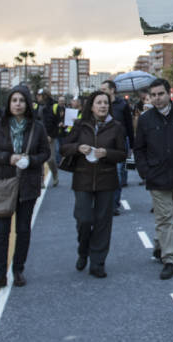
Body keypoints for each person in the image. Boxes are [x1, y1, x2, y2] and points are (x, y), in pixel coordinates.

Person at [0, 85, 50, 291]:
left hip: (28, 184)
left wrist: (31, 160)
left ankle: (18, 269)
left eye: (22, 100)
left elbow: (45, 153)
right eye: (14, 100)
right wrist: (8, 158)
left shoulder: (37, 127)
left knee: (23, 230)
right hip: (5, 182)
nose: (18, 104)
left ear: (27, 103)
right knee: (1, 231)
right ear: (9, 103)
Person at [60, 90, 127, 278]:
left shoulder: (116, 127)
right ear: (92, 106)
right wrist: (77, 148)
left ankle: (98, 262)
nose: (103, 106)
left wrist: (107, 153)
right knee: (84, 219)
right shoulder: (81, 125)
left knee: (103, 223)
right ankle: (83, 250)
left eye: (105, 103)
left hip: (107, 180)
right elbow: (64, 148)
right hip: (82, 179)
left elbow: (123, 153)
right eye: (99, 102)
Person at [134, 78, 173, 280]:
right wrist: (144, 171)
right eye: (153, 95)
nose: (157, 98)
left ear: (169, 93)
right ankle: (169, 259)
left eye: (160, 94)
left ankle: (159, 244)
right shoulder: (145, 120)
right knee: (164, 218)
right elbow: (139, 149)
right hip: (157, 177)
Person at [100, 80, 134, 214]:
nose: (102, 92)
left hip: (120, 142)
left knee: (118, 173)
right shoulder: (101, 105)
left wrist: (132, 144)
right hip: (104, 143)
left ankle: (114, 204)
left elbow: (129, 124)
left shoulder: (122, 105)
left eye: (104, 89)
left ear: (112, 90)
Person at [35, 89, 59, 187]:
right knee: (39, 160)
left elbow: (56, 123)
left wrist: (51, 135)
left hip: (50, 137)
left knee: (50, 159)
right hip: (38, 136)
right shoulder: (36, 106)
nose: (37, 97)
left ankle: (55, 174)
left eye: (39, 95)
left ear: (44, 96)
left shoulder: (54, 106)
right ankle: (41, 181)